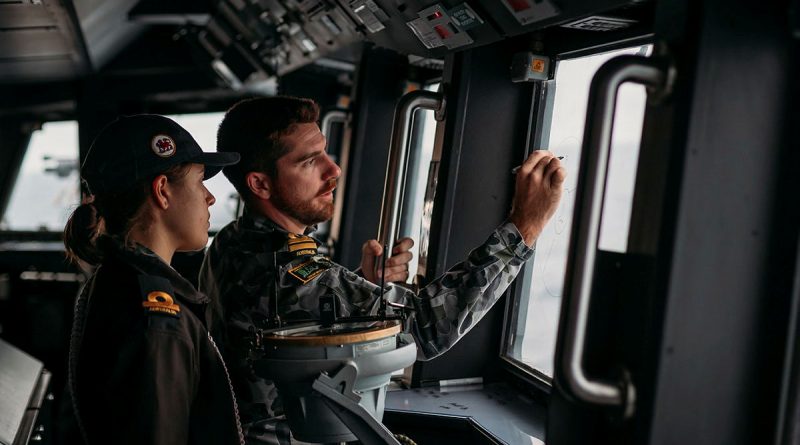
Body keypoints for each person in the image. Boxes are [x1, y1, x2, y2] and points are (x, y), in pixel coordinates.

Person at [199, 96, 565, 443]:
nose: (334, 169)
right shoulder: (289, 272)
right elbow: (425, 330)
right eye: (309, 161)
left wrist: (361, 290)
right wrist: (523, 228)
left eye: (325, 151)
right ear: (260, 184)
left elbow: (288, 315)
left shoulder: (233, 240)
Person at [64, 115, 245, 445]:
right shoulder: (158, 322)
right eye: (200, 181)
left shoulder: (118, 280)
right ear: (162, 191)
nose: (210, 198)